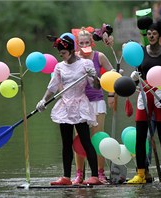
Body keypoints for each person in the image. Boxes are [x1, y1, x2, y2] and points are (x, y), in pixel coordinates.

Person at [36, 35, 102, 185]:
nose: (62, 56)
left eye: (64, 53)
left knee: (86, 141)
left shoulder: (86, 64)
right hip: (64, 106)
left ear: (72, 51)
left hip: (80, 105)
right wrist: (43, 101)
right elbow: (52, 87)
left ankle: (94, 176)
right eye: (60, 54)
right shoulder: (59, 66)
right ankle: (66, 177)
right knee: (66, 143)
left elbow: (96, 87)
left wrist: (95, 77)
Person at [127, 16, 161, 184]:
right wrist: (134, 77)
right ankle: (141, 174)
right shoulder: (141, 52)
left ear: (159, 35)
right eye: (149, 33)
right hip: (144, 95)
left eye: (154, 33)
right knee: (141, 136)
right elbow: (138, 76)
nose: (151, 36)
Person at [70, 27, 114, 184]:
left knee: (98, 139)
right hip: (79, 103)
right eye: (81, 43)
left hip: (97, 102)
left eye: (87, 42)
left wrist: (111, 95)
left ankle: (100, 174)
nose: (84, 45)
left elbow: (113, 75)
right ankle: (79, 175)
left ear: (91, 43)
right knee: (79, 139)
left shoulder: (99, 56)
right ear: (77, 44)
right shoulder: (73, 58)